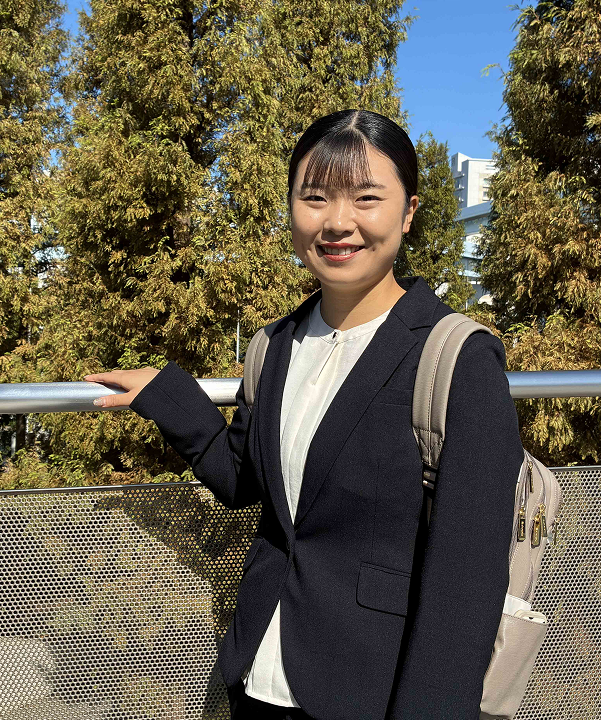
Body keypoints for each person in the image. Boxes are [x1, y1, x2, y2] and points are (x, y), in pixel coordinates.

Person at [84, 109, 525, 720]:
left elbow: (466, 583)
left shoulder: (456, 358)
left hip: (371, 693)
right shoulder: (274, 346)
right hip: (257, 678)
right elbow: (245, 480)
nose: (338, 222)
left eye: (367, 198)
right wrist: (170, 395)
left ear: (409, 212)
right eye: (315, 198)